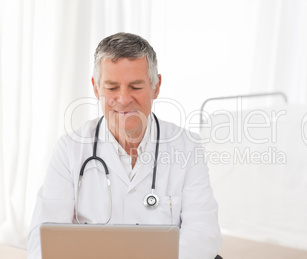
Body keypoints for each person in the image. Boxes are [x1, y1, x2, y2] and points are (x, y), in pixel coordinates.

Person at [27, 32, 222, 259]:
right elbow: (42, 241)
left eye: (135, 87)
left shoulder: (187, 147)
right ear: (96, 87)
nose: (123, 99)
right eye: (111, 88)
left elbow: (203, 234)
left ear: (156, 86)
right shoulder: (70, 149)